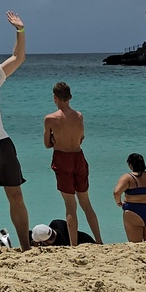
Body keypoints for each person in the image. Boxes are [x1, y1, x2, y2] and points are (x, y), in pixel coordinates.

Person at [0, 12, 33, 249]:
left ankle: (26, 247)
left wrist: (20, 30)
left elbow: (18, 57)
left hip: (2, 143)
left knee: (16, 196)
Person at [43, 81, 101, 246]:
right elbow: (80, 138)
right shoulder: (79, 116)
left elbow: (47, 144)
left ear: (55, 98)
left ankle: (73, 244)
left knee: (70, 205)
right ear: (70, 97)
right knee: (86, 203)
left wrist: (54, 139)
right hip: (79, 157)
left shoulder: (50, 119)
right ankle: (99, 240)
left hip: (62, 159)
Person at [112, 154, 146, 243]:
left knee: (135, 244)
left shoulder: (128, 177)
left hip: (134, 212)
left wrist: (119, 202)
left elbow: (116, 192)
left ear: (130, 165)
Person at [28, 219, 100, 247]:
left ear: (45, 242)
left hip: (88, 243)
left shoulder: (60, 245)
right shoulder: (57, 223)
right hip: (87, 238)